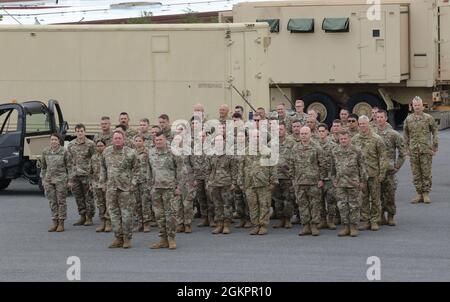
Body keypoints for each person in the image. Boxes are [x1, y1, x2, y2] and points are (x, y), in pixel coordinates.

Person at [100, 130, 139, 249]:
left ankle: (127, 238)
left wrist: (133, 184)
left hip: (126, 189)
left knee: (126, 215)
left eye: (119, 138)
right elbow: (103, 168)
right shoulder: (106, 152)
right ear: (112, 139)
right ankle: (118, 238)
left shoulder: (131, 152)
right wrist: (102, 182)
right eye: (115, 138)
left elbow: (137, 170)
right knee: (114, 215)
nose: (117, 140)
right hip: (111, 188)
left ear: (124, 139)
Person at [238, 129, 278, 235]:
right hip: (249, 183)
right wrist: (240, 182)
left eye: (258, 137)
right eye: (254, 137)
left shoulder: (268, 151)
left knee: (264, 204)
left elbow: (273, 167)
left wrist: (273, 182)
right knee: (252, 205)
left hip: (263, 183)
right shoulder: (245, 152)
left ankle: (263, 225)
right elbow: (241, 167)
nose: (256, 139)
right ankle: (255, 225)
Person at [351, 115, 387, 231]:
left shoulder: (377, 139)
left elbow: (383, 157)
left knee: (375, 198)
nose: (362, 126)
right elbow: (352, 157)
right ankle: (366, 220)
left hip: (373, 173)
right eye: (360, 124)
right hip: (361, 175)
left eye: (364, 124)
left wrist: (382, 173)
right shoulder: (355, 139)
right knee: (363, 198)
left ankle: (375, 221)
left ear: (368, 124)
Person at [289, 126, 326, 236]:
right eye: (302, 134)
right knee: (302, 204)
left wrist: (321, 179)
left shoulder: (316, 147)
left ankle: (314, 225)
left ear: (310, 134)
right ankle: (305, 225)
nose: (303, 135)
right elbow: (291, 164)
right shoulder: (295, 148)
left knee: (315, 204)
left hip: (313, 181)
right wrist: (293, 178)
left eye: (305, 133)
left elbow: (323, 164)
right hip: (299, 181)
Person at [331, 131, 367, 237]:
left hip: (353, 183)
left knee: (354, 206)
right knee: (342, 206)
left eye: (345, 138)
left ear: (349, 138)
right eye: (341, 139)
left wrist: (362, 181)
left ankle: (353, 227)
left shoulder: (356, 151)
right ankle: (346, 227)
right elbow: (333, 167)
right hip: (340, 183)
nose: (343, 141)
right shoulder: (335, 151)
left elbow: (363, 167)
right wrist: (333, 179)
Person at [149, 132, 181, 250]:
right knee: (159, 215)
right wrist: (150, 186)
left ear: (165, 140)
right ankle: (163, 239)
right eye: (156, 140)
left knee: (171, 215)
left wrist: (178, 187)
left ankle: (171, 239)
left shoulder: (173, 152)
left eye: (160, 140)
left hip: (170, 188)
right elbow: (149, 170)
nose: (158, 142)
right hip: (156, 189)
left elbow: (181, 171)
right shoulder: (151, 152)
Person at [404, 96, 439, 204]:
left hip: (426, 150)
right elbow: (406, 135)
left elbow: (435, 132)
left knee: (426, 172)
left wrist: (434, 147)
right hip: (414, 150)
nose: (417, 107)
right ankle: (419, 193)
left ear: (422, 105)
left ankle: (426, 194)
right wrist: (406, 149)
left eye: (419, 105)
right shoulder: (408, 119)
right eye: (415, 105)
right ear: (412, 106)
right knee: (416, 173)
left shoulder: (428, 118)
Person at [375, 109, 406, 226]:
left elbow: (402, 152)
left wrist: (397, 166)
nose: (379, 119)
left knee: (390, 194)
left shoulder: (394, 134)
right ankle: (381, 215)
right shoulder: (373, 133)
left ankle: (391, 216)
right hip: (377, 169)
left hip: (389, 169)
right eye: (377, 117)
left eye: (381, 117)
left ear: (386, 118)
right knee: (378, 194)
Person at [41, 133, 71, 232]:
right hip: (49, 180)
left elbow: (69, 167)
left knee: (61, 201)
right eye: (52, 140)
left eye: (55, 140)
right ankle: (55, 222)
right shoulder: (46, 151)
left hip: (61, 180)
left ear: (59, 141)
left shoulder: (64, 151)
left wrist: (70, 180)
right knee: (52, 201)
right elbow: (43, 167)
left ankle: (61, 223)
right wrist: (43, 179)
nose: (53, 141)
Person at [207, 135, 237, 235]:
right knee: (217, 204)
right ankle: (219, 224)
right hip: (214, 183)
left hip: (226, 183)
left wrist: (233, 182)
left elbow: (233, 169)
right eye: (217, 140)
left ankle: (226, 225)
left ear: (224, 141)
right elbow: (208, 170)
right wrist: (208, 182)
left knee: (227, 204)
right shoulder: (211, 154)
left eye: (220, 140)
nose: (219, 142)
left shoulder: (229, 154)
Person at [67, 123, 95, 226]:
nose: (79, 133)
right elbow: (69, 161)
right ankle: (82, 216)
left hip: (86, 174)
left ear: (85, 132)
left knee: (88, 196)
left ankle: (89, 217)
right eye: (78, 131)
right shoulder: (71, 144)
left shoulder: (90, 144)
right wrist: (69, 178)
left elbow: (94, 159)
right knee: (78, 196)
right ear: (75, 132)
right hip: (75, 175)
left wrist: (93, 176)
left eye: (81, 131)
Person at [272, 122, 295, 229]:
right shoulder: (271, 143)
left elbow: (296, 158)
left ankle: (288, 219)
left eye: (281, 129)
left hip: (287, 176)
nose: (279, 131)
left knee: (288, 199)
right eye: (277, 129)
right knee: (277, 200)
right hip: (275, 176)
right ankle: (280, 219)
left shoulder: (291, 142)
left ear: (285, 130)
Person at [172, 133, 197, 234]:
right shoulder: (172, 152)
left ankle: (188, 224)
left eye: (179, 139)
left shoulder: (188, 151)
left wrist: (194, 179)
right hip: (178, 180)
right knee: (177, 203)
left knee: (187, 203)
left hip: (188, 180)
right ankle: (180, 224)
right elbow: (171, 167)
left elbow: (194, 165)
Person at [317, 123, 338, 230]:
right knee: (319, 201)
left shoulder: (333, 145)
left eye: (323, 131)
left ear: (327, 132)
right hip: (319, 178)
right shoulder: (314, 145)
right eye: (319, 131)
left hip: (330, 178)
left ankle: (331, 220)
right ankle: (322, 220)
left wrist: (336, 177)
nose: (321, 133)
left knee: (331, 200)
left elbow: (337, 162)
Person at [192, 131, 214, 227]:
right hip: (198, 176)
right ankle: (205, 218)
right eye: (200, 136)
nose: (202, 138)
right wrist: (194, 177)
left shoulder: (211, 148)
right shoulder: (195, 149)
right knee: (201, 198)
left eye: (203, 136)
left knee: (210, 198)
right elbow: (192, 164)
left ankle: (212, 218)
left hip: (209, 176)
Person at [89, 139, 112, 233]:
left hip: (107, 184)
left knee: (108, 204)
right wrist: (91, 184)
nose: (100, 147)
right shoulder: (93, 157)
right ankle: (102, 222)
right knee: (100, 204)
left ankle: (108, 223)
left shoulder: (109, 156)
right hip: (96, 184)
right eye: (98, 146)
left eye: (101, 146)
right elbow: (90, 172)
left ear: (105, 146)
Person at [133, 135, 152, 233]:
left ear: (143, 142)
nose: (137, 142)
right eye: (136, 140)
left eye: (139, 140)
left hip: (145, 180)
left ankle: (146, 223)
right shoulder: (131, 153)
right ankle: (140, 222)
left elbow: (152, 165)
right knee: (137, 203)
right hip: (135, 181)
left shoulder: (148, 152)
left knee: (145, 202)